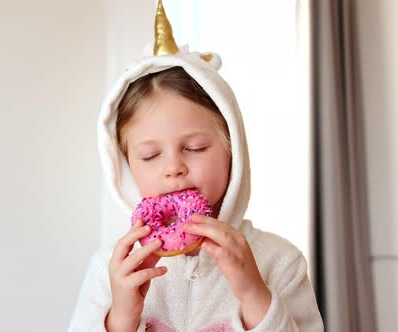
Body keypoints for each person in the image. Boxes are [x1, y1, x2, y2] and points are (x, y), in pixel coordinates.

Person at [68, 1, 323, 331]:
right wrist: (120, 317)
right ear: (127, 165)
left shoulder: (279, 261)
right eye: (150, 155)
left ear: (233, 150)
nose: (173, 167)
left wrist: (255, 296)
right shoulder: (111, 269)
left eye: (194, 148)